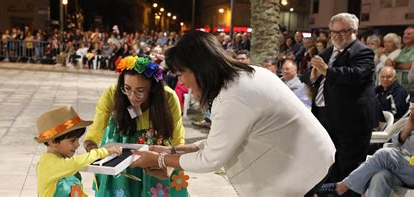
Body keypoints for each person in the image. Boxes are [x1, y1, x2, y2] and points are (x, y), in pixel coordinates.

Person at [131, 31, 336, 196]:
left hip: (303, 168)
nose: (181, 82)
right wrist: (179, 150)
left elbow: (210, 160)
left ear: (198, 67)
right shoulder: (243, 77)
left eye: (180, 74)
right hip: (309, 157)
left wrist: (160, 160)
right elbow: (230, 137)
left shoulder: (232, 96)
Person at [83, 55, 188, 196]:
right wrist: (93, 151)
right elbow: (95, 133)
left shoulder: (167, 97)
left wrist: (169, 164)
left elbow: (177, 136)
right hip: (121, 153)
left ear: (152, 88)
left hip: (156, 152)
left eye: (140, 90)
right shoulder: (112, 94)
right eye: (127, 88)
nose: (132, 96)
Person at [302, 13, 380, 196]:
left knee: (349, 166)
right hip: (326, 115)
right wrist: (313, 75)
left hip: (352, 120)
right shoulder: (329, 51)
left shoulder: (363, 51)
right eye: (333, 32)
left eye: (342, 31)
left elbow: (355, 75)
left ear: (354, 31)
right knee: (329, 162)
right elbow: (307, 75)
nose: (336, 36)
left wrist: (327, 71)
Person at [318, 105, 414, 197]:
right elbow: (396, 142)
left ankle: (343, 186)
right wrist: (409, 126)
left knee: (384, 154)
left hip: (409, 164)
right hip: (405, 166)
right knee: (380, 176)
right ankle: (343, 186)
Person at [35, 106, 123, 197]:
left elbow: (75, 191)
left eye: (78, 140)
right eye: (73, 141)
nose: (77, 145)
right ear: (52, 142)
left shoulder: (63, 160)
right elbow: (75, 163)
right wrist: (102, 152)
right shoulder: (47, 164)